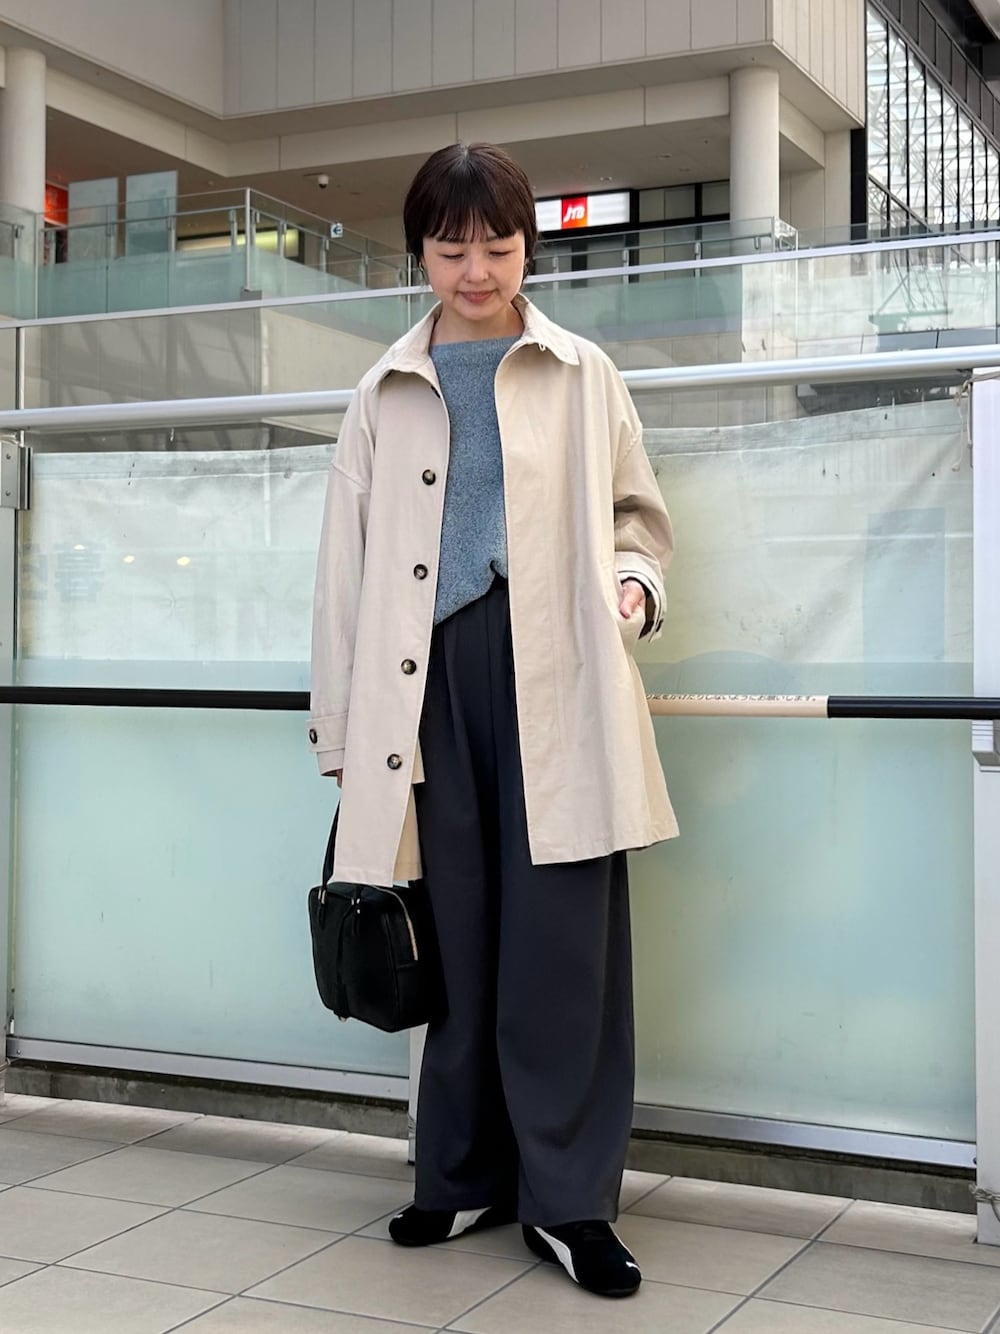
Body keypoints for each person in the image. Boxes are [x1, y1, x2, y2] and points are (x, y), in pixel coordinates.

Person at [309, 142, 677, 1300]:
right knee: (449, 936)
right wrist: (341, 734)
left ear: (529, 248)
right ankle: (460, 1171)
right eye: (450, 248)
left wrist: (633, 587)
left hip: (559, 670)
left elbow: (637, 515)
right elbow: (343, 571)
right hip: (424, 685)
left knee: (563, 947)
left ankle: (568, 1201)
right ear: (417, 253)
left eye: (498, 246)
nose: (475, 270)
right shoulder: (382, 390)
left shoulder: (582, 372)